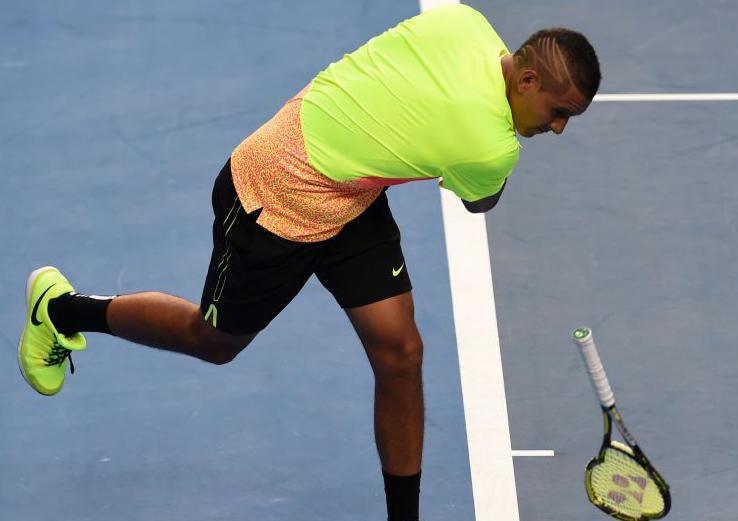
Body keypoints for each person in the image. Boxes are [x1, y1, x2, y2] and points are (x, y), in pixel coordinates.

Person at [17, 4, 600, 521]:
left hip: (350, 192)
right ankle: (62, 310)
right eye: (557, 110)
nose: (557, 127)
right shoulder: (489, 146)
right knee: (213, 342)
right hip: (274, 196)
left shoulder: (464, 20)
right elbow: (480, 199)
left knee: (400, 355)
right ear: (525, 79)